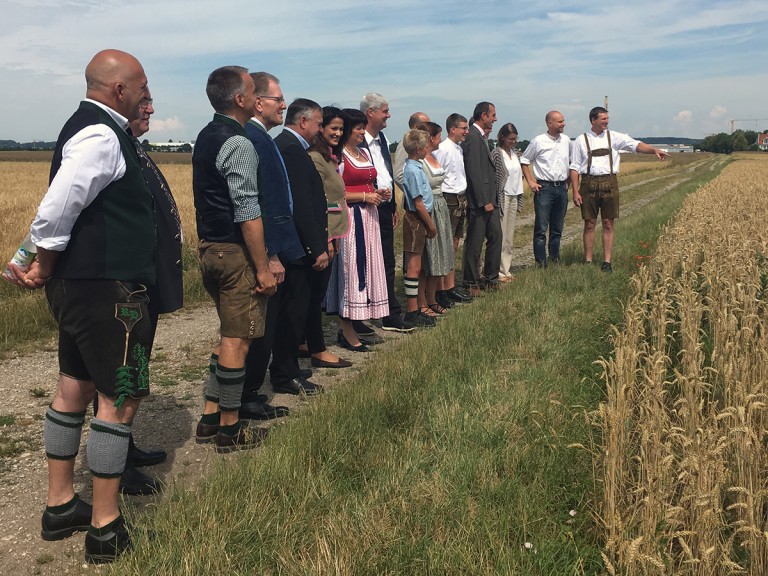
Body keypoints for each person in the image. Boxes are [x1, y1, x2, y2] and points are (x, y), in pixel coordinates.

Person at [5, 49, 155, 564]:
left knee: (75, 387)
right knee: (122, 395)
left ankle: (60, 503)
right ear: (119, 90)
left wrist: (32, 257)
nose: (144, 96)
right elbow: (57, 207)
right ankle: (106, 528)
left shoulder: (92, 129)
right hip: (111, 293)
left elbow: (60, 206)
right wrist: (41, 260)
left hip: (85, 288)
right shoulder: (100, 133)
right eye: (141, 86)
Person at [192, 66, 277, 454]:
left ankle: (210, 417)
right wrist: (262, 267)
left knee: (226, 335)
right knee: (236, 341)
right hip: (234, 252)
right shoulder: (239, 143)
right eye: (251, 90)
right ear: (241, 100)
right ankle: (230, 428)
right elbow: (247, 211)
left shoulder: (206, 136)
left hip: (209, 248)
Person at [240, 71, 304, 417]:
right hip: (269, 249)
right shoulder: (253, 138)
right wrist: (272, 255)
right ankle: (246, 394)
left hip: (275, 245)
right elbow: (261, 203)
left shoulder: (261, 137)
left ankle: (249, 391)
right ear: (259, 101)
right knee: (259, 326)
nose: (284, 105)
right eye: (279, 100)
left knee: (268, 321)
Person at [269, 98, 330, 395]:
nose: (320, 129)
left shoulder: (287, 145)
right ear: (303, 121)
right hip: (296, 248)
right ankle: (284, 373)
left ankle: (287, 365)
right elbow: (301, 205)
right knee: (291, 312)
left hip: (294, 245)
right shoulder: (291, 150)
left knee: (293, 310)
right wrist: (316, 247)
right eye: (319, 123)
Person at [570, 106, 669, 272]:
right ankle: (587, 261)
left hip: (610, 182)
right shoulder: (581, 140)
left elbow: (635, 145)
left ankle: (607, 262)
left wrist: (654, 150)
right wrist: (575, 191)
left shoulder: (614, 137)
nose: (606, 122)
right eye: (603, 119)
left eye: (607, 119)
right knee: (589, 223)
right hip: (588, 183)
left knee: (608, 222)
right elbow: (574, 167)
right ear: (593, 120)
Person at [326, 108, 389, 350]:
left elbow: (369, 182)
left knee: (367, 267)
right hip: (351, 219)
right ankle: (346, 329)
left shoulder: (362, 152)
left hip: (369, 217)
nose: (363, 132)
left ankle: (359, 319)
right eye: (358, 127)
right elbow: (335, 193)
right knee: (352, 270)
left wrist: (376, 193)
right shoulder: (339, 156)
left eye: (363, 127)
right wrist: (364, 196)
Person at [360, 93, 415, 333]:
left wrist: (393, 206)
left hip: (383, 207)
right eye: (384, 110)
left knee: (387, 261)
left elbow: (386, 171)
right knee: (364, 261)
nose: (388, 115)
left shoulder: (381, 138)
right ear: (370, 113)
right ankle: (361, 313)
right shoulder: (356, 139)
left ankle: (388, 312)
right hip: (363, 207)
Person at [305, 106, 353, 369]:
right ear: (320, 129)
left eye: (340, 129)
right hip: (323, 234)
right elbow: (319, 200)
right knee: (314, 295)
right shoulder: (315, 158)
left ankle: (306, 341)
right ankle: (317, 348)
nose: (337, 133)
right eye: (332, 128)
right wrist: (326, 238)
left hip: (331, 232)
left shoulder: (329, 157)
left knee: (316, 294)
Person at [520, 111, 571, 267]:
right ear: (550, 123)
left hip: (561, 188)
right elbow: (524, 160)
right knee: (541, 228)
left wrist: (567, 183)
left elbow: (572, 163)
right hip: (545, 188)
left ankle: (555, 259)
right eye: (560, 121)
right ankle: (540, 263)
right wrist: (530, 181)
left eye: (563, 121)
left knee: (557, 227)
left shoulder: (566, 141)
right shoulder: (538, 141)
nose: (563, 124)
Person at [461, 101, 501, 296]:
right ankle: (470, 282)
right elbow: (474, 171)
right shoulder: (473, 137)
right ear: (483, 115)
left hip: (490, 200)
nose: (495, 119)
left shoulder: (481, 137)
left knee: (496, 236)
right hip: (481, 202)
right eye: (493, 115)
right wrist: (483, 200)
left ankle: (491, 279)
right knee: (475, 242)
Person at [434, 113, 473, 305]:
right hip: (448, 198)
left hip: (460, 197)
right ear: (453, 129)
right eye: (463, 128)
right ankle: (441, 289)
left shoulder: (458, 148)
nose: (466, 131)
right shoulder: (443, 149)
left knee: (455, 243)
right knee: (446, 244)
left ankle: (450, 286)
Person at [401, 128, 437, 328]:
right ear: (418, 149)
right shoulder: (413, 170)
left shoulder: (416, 166)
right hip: (416, 219)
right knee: (413, 267)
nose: (427, 149)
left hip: (421, 218)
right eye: (425, 146)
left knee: (419, 265)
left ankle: (416, 308)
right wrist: (430, 225)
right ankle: (412, 310)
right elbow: (419, 203)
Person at [419, 121, 455, 315]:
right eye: (439, 135)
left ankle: (432, 298)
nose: (441, 139)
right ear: (430, 138)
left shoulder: (433, 157)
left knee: (439, 255)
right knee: (428, 257)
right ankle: (422, 301)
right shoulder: (421, 160)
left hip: (441, 206)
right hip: (431, 206)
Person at [492, 123, 524, 281]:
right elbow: (496, 177)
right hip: (503, 196)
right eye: (510, 139)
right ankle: (497, 270)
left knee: (510, 236)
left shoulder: (516, 153)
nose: (513, 141)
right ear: (503, 137)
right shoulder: (497, 154)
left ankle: (506, 268)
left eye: (515, 139)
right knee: (501, 235)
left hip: (514, 194)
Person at [393, 111, 430, 188]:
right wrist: (415, 192)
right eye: (426, 124)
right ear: (416, 126)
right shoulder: (406, 144)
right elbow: (399, 175)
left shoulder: (424, 143)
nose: (429, 127)